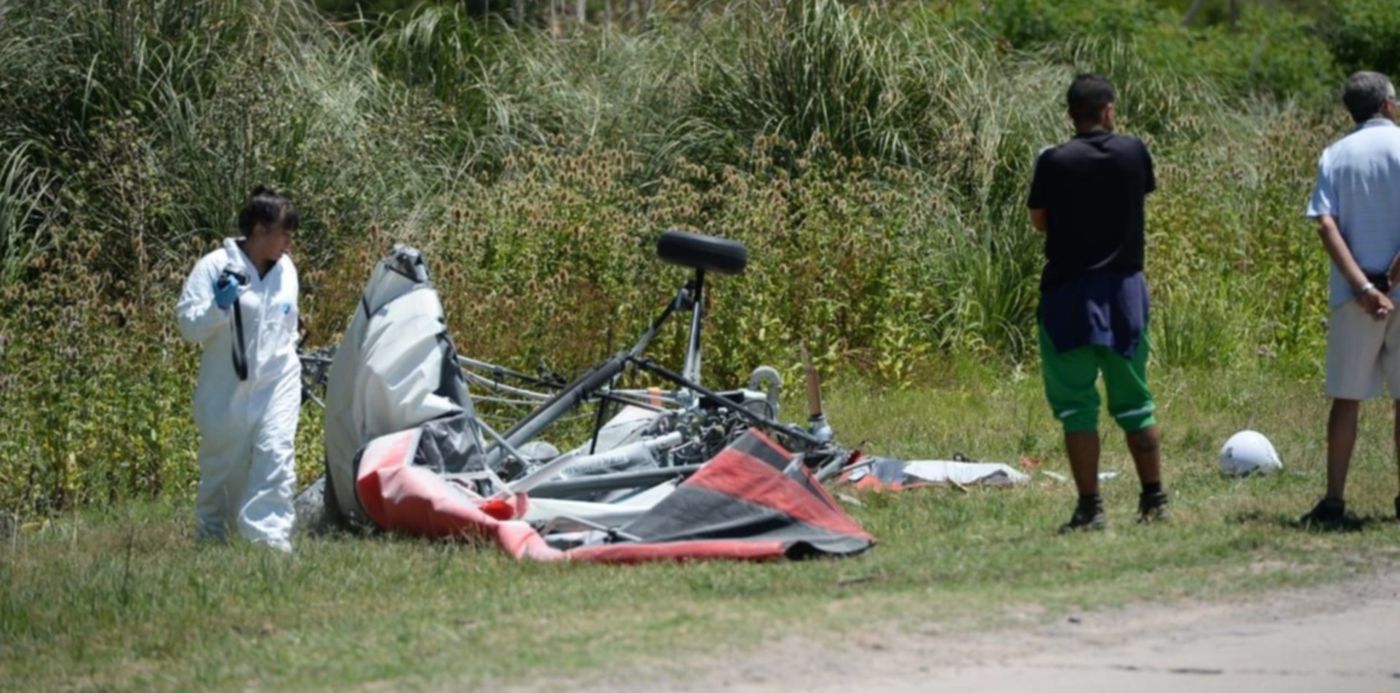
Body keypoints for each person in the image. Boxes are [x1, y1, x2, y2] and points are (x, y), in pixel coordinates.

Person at [1027, 74, 1167, 532]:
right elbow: (1139, 195)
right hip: (1124, 291)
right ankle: (1154, 499)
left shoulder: (1053, 161)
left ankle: (1090, 508)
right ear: (1108, 109)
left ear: (1070, 114)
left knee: (1076, 406)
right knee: (1135, 402)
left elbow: (1039, 222)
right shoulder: (1134, 151)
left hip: (1068, 293)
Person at [177, 187, 302, 552]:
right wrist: (218, 306)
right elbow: (188, 327)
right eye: (284, 233)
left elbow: (287, 321)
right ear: (260, 230)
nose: (289, 243)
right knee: (222, 470)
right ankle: (213, 537)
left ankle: (269, 542)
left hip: (278, 381)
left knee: (276, 453)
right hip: (227, 388)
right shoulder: (215, 266)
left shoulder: (287, 270)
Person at [1301, 71, 1400, 528]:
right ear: (1387, 105)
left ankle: (1335, 500)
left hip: (1354, 296)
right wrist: (1392, 276)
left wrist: (1364, 287)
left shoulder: (1336, 154)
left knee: (1346, 399)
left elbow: (1326, 223)